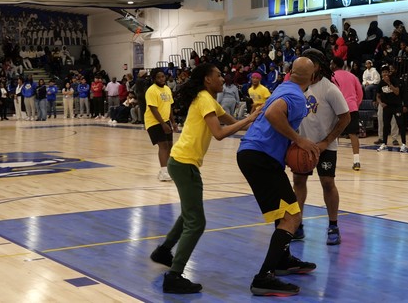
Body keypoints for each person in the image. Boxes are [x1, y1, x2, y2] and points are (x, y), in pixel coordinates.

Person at [149, 63, 260, 294]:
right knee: (197, 222)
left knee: (190, 213)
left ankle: (164, 251)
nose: (223, 78)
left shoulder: (206, 98)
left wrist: (255, 118)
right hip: (184, 163)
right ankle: (175, 275)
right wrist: (250, 119)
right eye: (219, 75)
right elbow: (219, 134)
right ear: (208, 79)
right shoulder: (205, 99)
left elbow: (229, 121)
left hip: (181, 162)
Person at [236, 57, 319, 297]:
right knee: (293, 215)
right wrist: (298, 139)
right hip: (260, 156)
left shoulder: (283, 87)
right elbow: (273, 113)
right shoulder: (296, 97)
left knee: (283, 211)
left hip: (252, 154)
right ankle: (264, 277)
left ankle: (282, 261)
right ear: (312, 79)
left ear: (290, 72)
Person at [290, 50, 351, 245]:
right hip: (302, 145)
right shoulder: (296, 88)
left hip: (325, 146)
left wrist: (326, 141)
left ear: (317, 66)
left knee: (327, 183)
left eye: (309, 63)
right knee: (298, 183)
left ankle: (333, 225)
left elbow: (345, 117)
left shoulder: (330, 89)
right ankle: (297, 225)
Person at [330, 56, 364, 170]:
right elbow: (360, 93)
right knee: (353, 134)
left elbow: (331, 94)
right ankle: (356, 161)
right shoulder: (352, 76)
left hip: (338, 109)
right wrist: (355, 104)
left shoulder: (332, 77)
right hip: (352, 107)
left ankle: (332, 161)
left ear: (334, 65)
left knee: (335, 135)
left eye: (331, 64)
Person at [145, 70, 177, 181]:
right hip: (154, 121)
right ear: (154, 79)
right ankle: (164, 172)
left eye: (163, 76)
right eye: (159, 77)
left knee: (170, 146)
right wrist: (163, 124)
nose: (162, 79)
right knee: (163, 146)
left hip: (166, 121)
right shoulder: (151, 91)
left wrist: (173, 122)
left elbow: (170, 107)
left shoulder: (167, 89)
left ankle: (165, 170)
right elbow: (153, 109)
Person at [375, 68, 407, 152]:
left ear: (389, 73)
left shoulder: (394, 80)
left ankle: (404, 144)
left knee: (400, 124)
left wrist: (389, 83)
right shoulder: (380, 84)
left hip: (396, 106)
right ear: (381, 74)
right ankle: (384, 143)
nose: (385, 74)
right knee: (385, 125)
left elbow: (397, 92)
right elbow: (377, 96)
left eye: (386, 72)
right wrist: (380, 103)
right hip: (387, 107)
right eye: (383, 72)